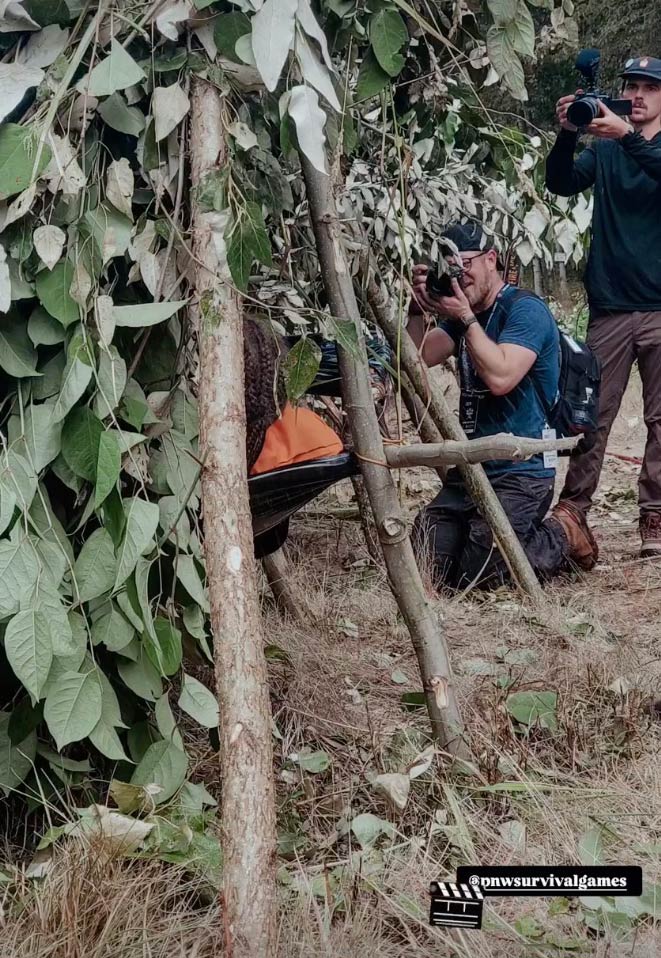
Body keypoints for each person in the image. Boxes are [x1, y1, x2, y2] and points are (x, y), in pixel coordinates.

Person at [409, 223, 596, 589]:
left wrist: (463, 317)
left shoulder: (525, 311)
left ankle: (563, 531)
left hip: (523, 473)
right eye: (450, 269)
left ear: (490, 259)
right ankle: (484, 539)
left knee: (481, 574)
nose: (459, 278)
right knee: (424, 560)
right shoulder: (465, 314)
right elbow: (415, 360)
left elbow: (501, 377)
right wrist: (417, 311)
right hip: (474, 468)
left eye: (464, 266)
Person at [546, 55, 661, 559]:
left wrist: (625, 138)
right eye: (631, 86)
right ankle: (573, 515)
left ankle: (654, 518)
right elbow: (560, 182)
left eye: (648, 88)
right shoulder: (609, 150)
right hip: (610, 307)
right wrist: (570, 132)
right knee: (590, 416)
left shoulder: (629, 144)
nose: (636, 95)